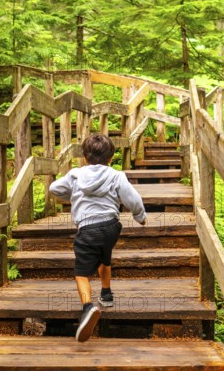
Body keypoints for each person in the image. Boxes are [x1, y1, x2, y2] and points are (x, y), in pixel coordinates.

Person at [49, 133, 147, 342]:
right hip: (111, 228)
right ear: (111, 158)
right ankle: (106, 294)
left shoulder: (75, 175)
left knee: (82, 272)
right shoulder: (116, 175)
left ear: (85, 157)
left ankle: (87, 308)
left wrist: (73, 194)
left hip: (87, 229)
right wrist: (140, 216)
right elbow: (132, 198)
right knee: (104, 256)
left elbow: (54, 189)